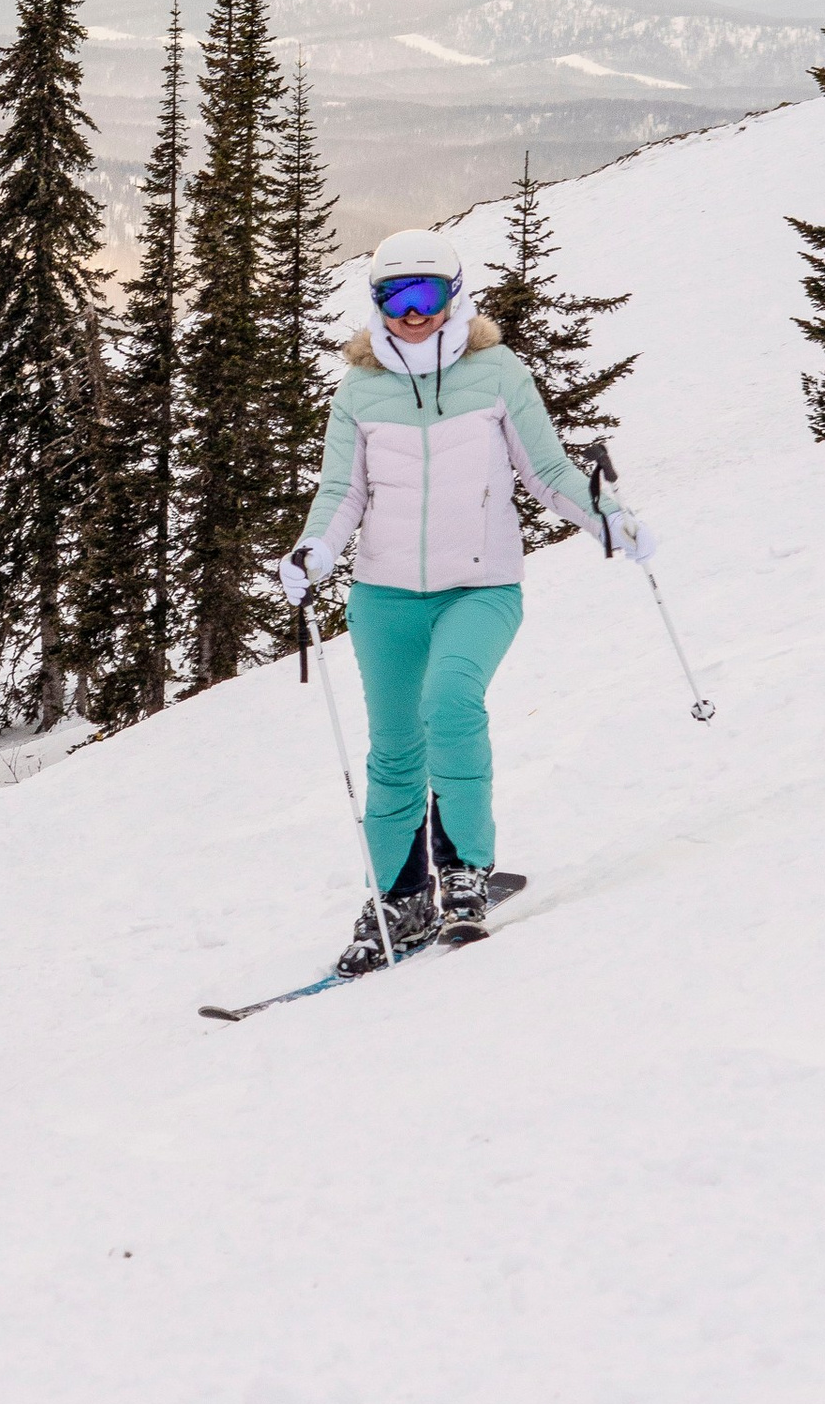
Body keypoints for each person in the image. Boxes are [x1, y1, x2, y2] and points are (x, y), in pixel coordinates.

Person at [277, 226, 656, 975]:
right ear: (377, 304)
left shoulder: (499, 373)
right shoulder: (359, 388)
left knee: (450, 701)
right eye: (395, 298)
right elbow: (341, 492)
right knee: (394, 754)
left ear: (456, 297)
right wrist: (314, 551)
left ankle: (463, 871)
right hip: (384, 597)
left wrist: (609, 519)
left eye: (427, 297)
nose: (412, 315)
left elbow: (546, 471)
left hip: (481, 586)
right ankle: (399, 894)